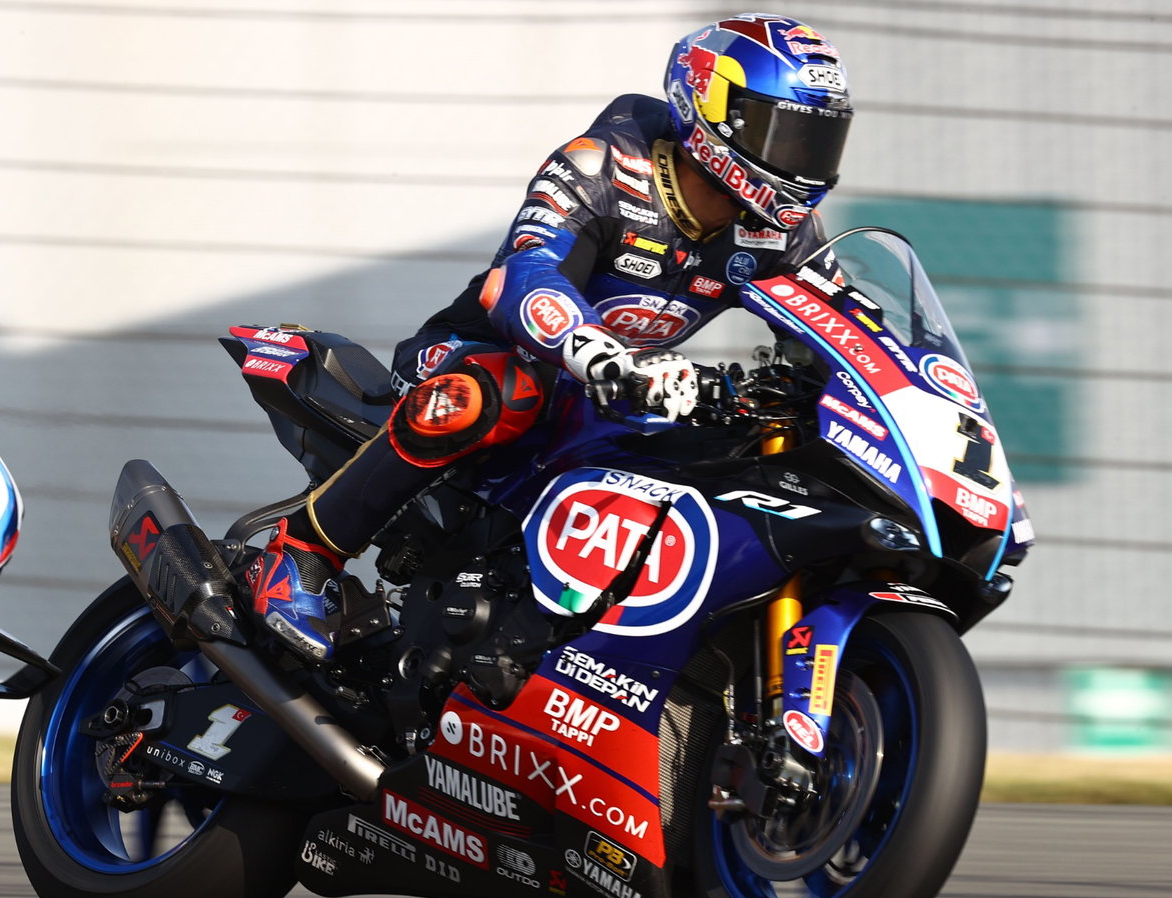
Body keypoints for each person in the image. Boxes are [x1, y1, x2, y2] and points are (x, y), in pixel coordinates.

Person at [247, 13, 854, 661]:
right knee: (502, 392)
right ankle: (301, 554)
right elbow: (525, 275)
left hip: (606, 401)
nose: (802, 163)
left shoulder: (783, 229)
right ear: (712, 108)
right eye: (787, 135)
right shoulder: (604, 165)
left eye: (819, 142)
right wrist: (603, 355)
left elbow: (840, 326)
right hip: (475, 358)